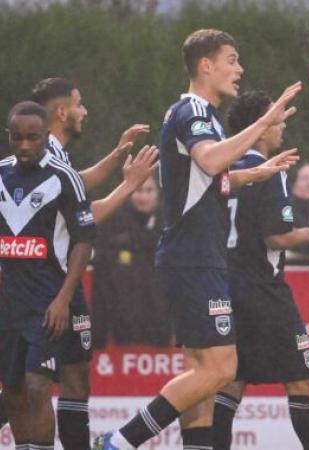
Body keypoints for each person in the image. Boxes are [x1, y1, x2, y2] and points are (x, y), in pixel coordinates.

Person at [94, 28, 302, 450]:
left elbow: (211, 178)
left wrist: (255, 173)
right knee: (222, 369)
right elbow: (209, 161)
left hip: (195, 257)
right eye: (232, 59)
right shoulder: (194, 111)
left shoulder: (197, 114)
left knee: (201, 377)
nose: (239, 69)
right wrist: (263, 121)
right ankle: (119, 441)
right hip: (193, 259)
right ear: (205, 65)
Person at [28, 76, 158, 449]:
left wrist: (118, 155)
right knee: (31, 386)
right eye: (80, 104)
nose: (85, 111)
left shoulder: (57, 153)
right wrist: (129, 184)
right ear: (63, 111)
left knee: (77, 376)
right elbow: (86, 213)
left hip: (67, 281)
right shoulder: (43, 153)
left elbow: (76, 185)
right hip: (47, 284)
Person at [211, 90, 309, 450]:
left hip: (226, 288)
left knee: (231, 382)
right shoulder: (268, 169)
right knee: (300, 381)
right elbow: (277, 238)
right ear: (260, 128)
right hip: (262, 290)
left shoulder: (221, 166)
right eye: (277, 120)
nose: (282, 127)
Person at [0, 101, 95, 450]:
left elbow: (84, 241)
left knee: (39, 386)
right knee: (13, 393)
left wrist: (63, 299)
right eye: (17, 137)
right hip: (10, 304)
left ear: (44, 138)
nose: (24, 145)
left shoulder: (63, 177)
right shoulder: (1, 175)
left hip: (48, 304)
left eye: (33, 138)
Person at [92, 175, 171, 348]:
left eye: (149, 190)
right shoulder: (113, 224)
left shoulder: (170, 224)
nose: (143, 197)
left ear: (158, 193)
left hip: (162, 329)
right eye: (138, 190)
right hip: (121, 327)